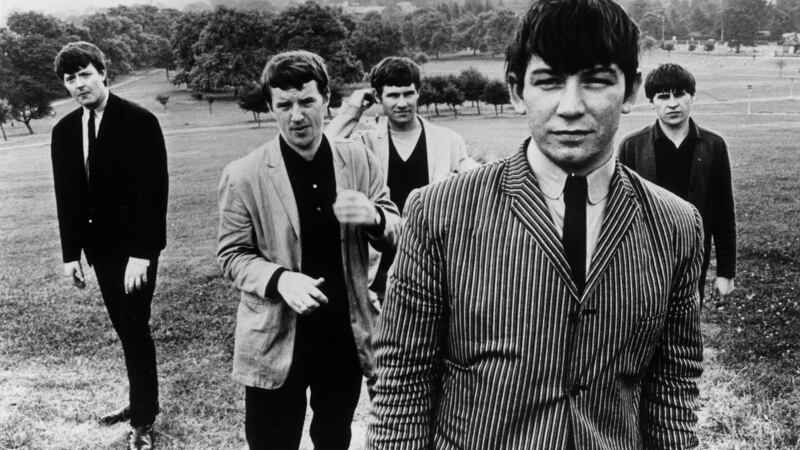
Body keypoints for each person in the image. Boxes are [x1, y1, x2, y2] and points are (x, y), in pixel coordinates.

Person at [367, 0, 705, 448]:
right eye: (547, 82)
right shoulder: (438, 212)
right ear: (515, 90)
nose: (570, 106)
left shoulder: (676, 225)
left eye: (596, 81)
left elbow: (673, 387)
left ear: (630, 91)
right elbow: (402, 382)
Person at [216, 50, 401, 450]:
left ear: (327, 100)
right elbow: (231, 256)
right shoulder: (243, 174)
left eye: (306, 102)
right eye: (284, 105)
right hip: (276, 336)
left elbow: (396, 230)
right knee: (270, 441)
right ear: (270, 107)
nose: (296, 116)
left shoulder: (357, 158)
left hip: (343, 333)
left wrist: (374, 217)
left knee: (333, 437)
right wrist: (281, 280)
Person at [51, 41, 168, 450]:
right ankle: (138, 401)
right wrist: (70, 255)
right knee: (124, 328)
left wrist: (142, 254)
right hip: (99, 252)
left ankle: (143, 419)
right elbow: (66, 196)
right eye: (70, 78)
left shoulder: (139, 121)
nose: (79, 84)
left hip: (136, 253)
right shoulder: (64, 131)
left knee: (134, 327)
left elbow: (154, 195)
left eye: (85, 74)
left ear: (104, 72)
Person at [326, 56, 478, 297]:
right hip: (382, 271)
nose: (402, 103)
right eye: (393, 95)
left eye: (408, 93)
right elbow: (325, 151)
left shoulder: (448, 141)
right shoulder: (364, 143)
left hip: (435, 269)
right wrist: (352, 111)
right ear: (377, 97)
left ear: (418, 92)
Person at [618, 63, 736, 302]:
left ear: (692, 96)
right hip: (643, 264)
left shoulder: (714, 146)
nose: (672, 103)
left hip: (693, 262)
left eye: (679, 94)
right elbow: (618, 214)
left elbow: (724, 214)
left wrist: (726, 273)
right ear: (652, 101)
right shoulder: (632, 146)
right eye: (663, 96)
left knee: (687, 333)